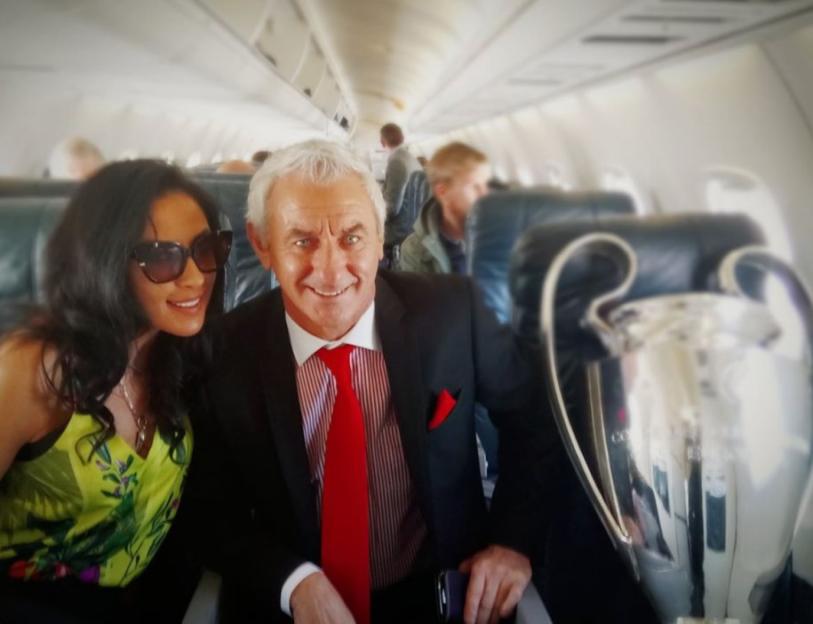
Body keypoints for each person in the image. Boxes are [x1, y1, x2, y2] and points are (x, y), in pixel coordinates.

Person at [186, 139, 560, 623]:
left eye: (352, 238)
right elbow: (208, 510)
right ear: (262, 245)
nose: (330, 270)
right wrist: (294, 582)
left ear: (381, 239)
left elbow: (532, 419)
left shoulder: (452, 315)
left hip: (439, 592)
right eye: (302, 241)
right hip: (297, 602)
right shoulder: (222, 353)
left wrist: (511, 542)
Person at [0, 160, 232, 622]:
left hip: (142, 599)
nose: (195, 278)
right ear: (105, 263)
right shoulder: (32, 368)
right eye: (163, 257)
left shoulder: (183, 354)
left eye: (206, 248)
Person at [398, 142, 491, 275]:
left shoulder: (497, 237)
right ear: (443, 192)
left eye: (485, 185)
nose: (485, 194)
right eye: (475, 187)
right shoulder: (414, 251)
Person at [379, 123, 422, 265]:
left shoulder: (396, 161)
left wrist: (373, 214)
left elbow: (392, 208)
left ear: (382, 141)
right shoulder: (409, 157)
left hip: (399, 229)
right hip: (412, 223)